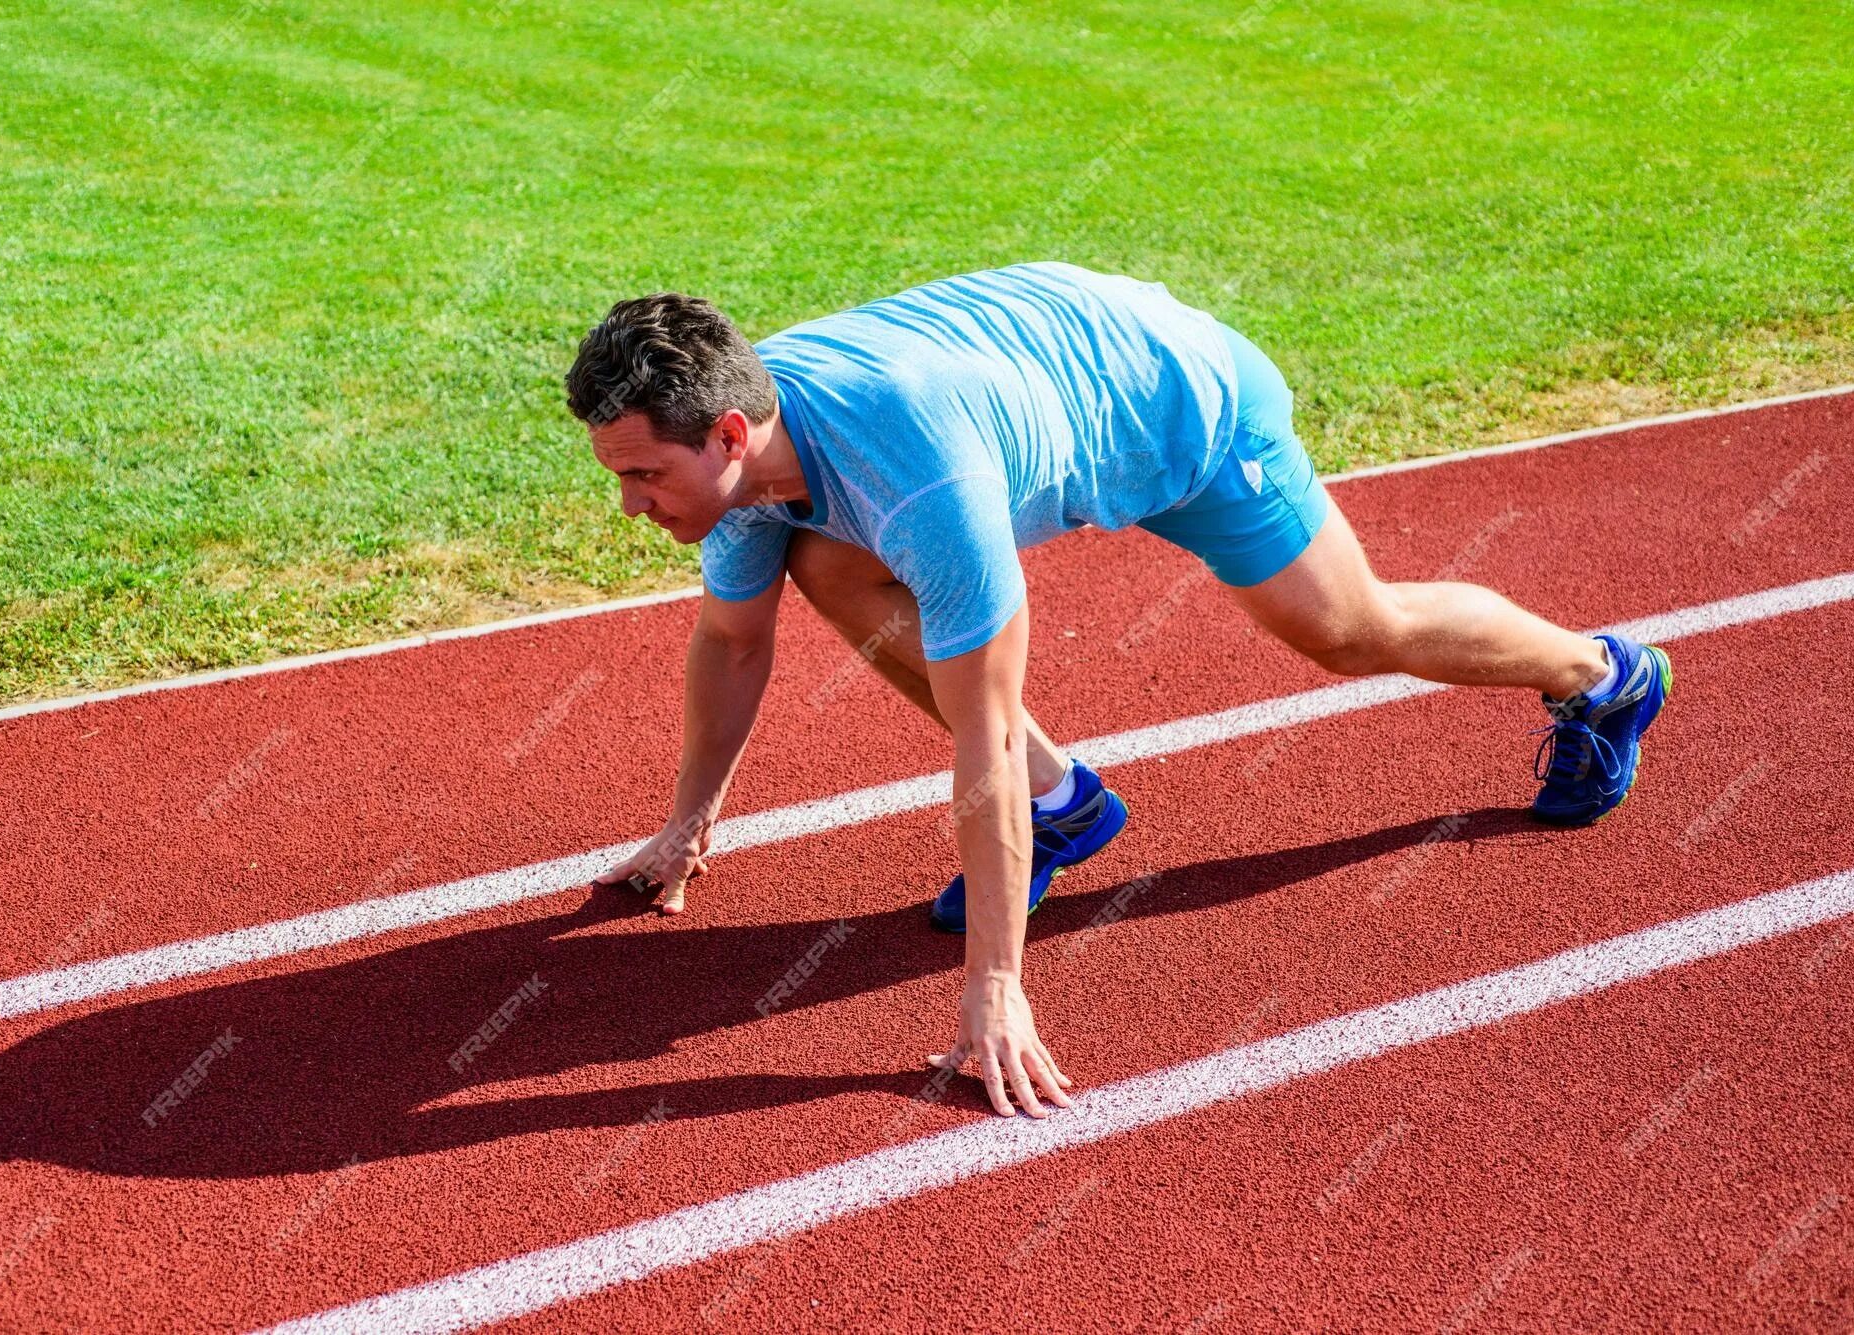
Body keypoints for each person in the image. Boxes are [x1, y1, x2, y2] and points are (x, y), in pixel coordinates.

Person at [564, 261, 1672, 1119]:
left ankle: (1599, 676)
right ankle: (1067, 808)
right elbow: (730, 639)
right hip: (1046, 365)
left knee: (1344, 632)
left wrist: (992, 988)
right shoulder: (747, 464)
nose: (628, 508)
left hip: (1176, 406)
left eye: (641, 477)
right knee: (822, 562)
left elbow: (981, 738)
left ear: (726, 435)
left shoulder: (921, 483)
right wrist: (686, 826)